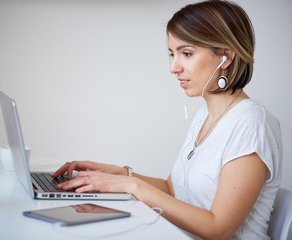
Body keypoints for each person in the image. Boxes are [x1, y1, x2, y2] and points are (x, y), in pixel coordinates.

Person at [52, 0, 283, 239]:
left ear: (225, 57)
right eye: (172, 54)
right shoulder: (205, 115)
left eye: (186, 53)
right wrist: (121, 175)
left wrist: (133, 187)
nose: (174, 67)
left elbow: (218, 229)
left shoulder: (252, 122)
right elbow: (173, 190)